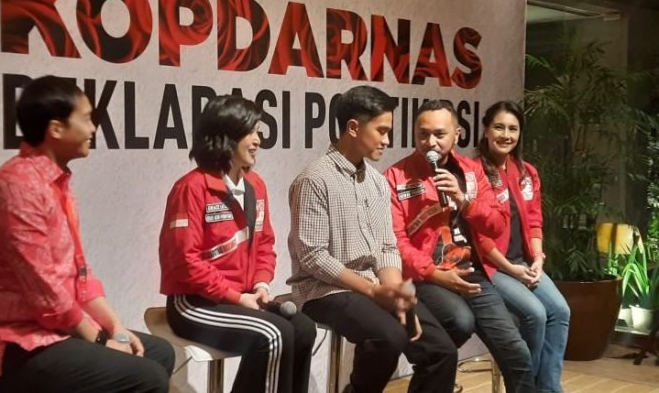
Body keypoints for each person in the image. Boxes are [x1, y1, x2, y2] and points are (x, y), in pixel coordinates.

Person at [0, 75, 175, 393]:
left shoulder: (57, 184)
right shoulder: (17, 188)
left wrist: (116, 328)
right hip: (14, 343)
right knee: (147, 377)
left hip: (53, 330)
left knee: (158, 353)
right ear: (56, 129)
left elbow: (80, 274)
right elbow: (48, 297)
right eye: (85, 119)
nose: (93, 129)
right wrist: (99, 340)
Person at [288, 85, 458, 393]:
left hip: (372, 286)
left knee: (441, 351)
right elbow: (313, 257)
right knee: (387, 338)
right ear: (354, 127)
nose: (387, 140)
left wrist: (393, 291)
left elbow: (387, 246)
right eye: (381, 130)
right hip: (323, 291)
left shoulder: (378, 182)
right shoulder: (314, 179)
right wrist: (374, 291)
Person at [159, 95, 316, 393]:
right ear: (224, 136)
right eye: (250, 132)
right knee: (273, 334)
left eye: (258, 132)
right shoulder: (191, 188)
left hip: (241, 297)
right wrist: (234, 296)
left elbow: (265, 243)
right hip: (194, 303)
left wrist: (261, 284)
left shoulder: (256, 185)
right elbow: (184, 261)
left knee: (303, 329)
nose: (257, 140)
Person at [384, 99, 536, 393]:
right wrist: (434, 274)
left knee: (516, 351)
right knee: (460, 321)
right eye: (423, 134)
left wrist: (465, 201)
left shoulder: (471, 171)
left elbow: (497, 225)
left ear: (457, 135)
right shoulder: (396, 177)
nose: (431, 143)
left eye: (440, 134)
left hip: (473, 273)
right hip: (427, 276)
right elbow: (395, 242)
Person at [476, 100, 570, 393]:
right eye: (499, 127)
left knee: (560, 311)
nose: (506, 135)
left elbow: (534, 219)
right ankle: (524, 387)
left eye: (513, 129)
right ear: (486, 130)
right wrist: (511, 269)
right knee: (536, 314)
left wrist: (538, 258)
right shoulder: (474, 171)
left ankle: (548, 388)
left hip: (525, 262)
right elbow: (480, 236)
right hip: (493, 266)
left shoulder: (526, 171)